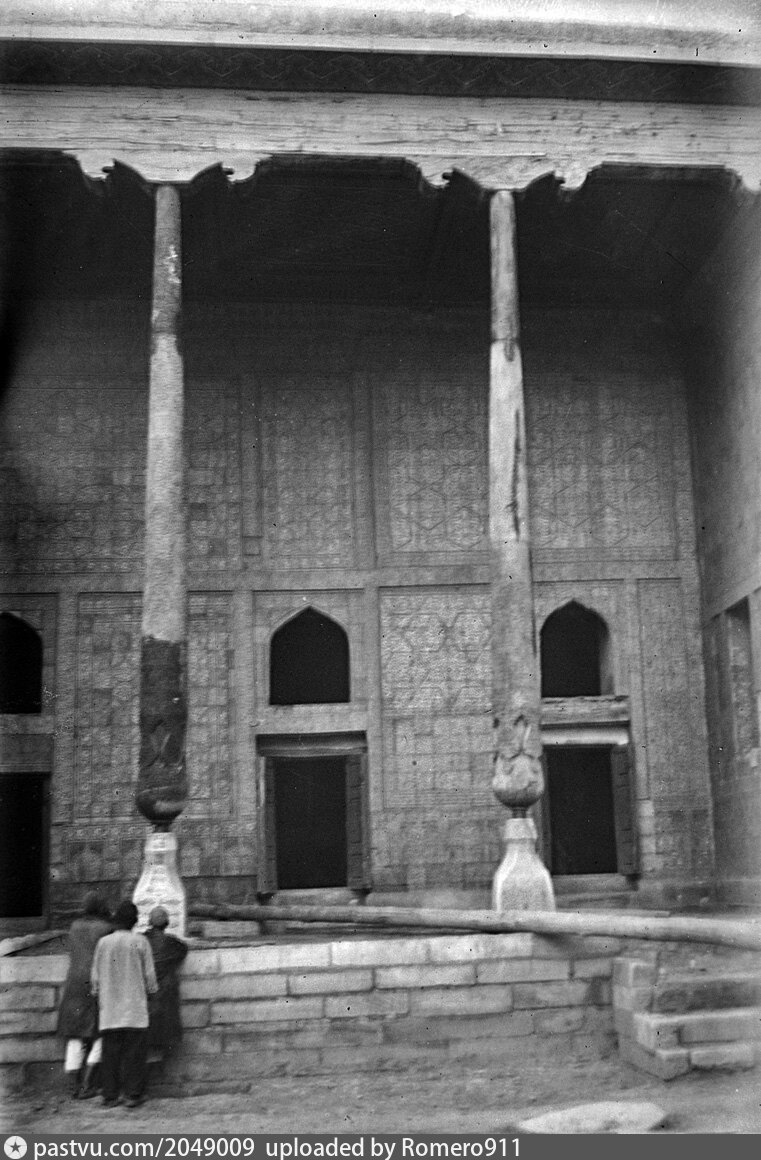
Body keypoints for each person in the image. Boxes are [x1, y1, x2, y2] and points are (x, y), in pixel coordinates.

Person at [91, 899, 158, 1108]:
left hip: (110, 1009)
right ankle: (132, 1095)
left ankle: (110, 1096)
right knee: (134, 1055)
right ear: (134, 921)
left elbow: (95, 978)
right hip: (134, 1009)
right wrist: (152, 992)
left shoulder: (103, 943)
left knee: (110, 1054)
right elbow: (150, 977)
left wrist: (98, 994)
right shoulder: (141, 942)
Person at [56, 892, 112, 1099]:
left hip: (73, 985)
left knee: (75, 1035)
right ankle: (88, 1083)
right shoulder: (106, 928)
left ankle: (74, 1085)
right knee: (101, 1033)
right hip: (96, 984)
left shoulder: (74, 927)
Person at [143, 906, 188, 1062]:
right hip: (164, 996)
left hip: (145, 996)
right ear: (167, 923)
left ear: (149, 922)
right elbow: (183, 950)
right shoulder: (171, 942)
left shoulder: (142, 940)